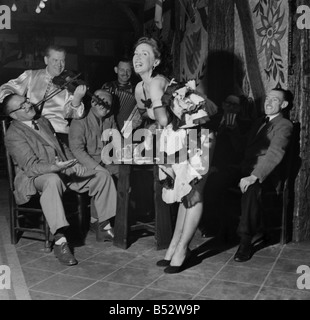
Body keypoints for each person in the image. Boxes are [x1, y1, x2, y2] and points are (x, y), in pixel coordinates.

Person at [133, 36, 217, 274]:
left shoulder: (157, 82)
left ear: (156, 61)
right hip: (177, 136)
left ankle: (183, 249)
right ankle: (175, 247)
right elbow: (152, 118)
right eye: (136, 53)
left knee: (194, 193)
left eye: (145, 54)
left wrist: (153, 122)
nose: (138, 57)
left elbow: (160, 118)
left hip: (198, 136)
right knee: (183, 193)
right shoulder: (140, 87)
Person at [3, 94, 117, 266]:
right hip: (35, 177)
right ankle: (60, 241)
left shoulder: (42, 121)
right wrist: (56, 167)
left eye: (26, 100)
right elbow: (31, 167)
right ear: (13, 114)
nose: (28, 104)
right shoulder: (13, 134)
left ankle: (102, 225)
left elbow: (62, 146)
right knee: (52, 180)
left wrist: (74, 162)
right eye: (23, 105)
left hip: (63, 170)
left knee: (102, 176)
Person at [204, 87, 293, 262]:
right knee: (215, 179)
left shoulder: (284, 125)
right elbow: (241, 147)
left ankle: (245, 241)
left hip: (265, 174)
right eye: (268, 98)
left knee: (251, 190)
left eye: (274, 99)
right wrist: (234, 129)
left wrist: (254, 176)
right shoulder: (259, 121)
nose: (268, 102)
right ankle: (221, 228)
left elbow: (274, 153)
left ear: (283, 104)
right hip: (245, 167)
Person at [0, 44, 86, 145]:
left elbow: (75, 115)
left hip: (58, 132)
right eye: (55, 60)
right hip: (31, 130)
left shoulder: (69, 84)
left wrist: (77, 100)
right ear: (46, 60)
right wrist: (14, 102)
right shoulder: (31, 75)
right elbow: (5, 89)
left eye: (62, 60)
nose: (59, 65)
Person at [101, 57, 139, 132]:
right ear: (116, 70)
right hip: (107, 128)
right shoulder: (108, 87)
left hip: (128, 130)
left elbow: (140, 112)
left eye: (128, 70)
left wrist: (137, 120)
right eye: (122, 70)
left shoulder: (137, 90)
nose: (125, 73)